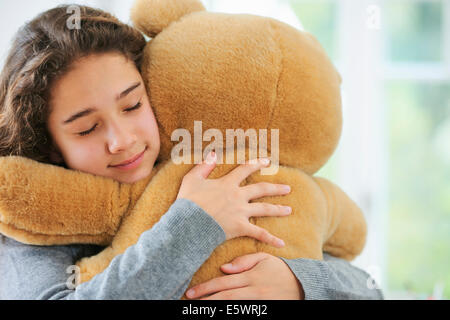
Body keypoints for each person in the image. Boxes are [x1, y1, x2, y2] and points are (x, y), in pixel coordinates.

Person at [0, 5, 383, 300]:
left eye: (132, 105)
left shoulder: (202, 174)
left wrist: (299, 283)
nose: (122, 140)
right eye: (86, 128)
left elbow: (369, 287)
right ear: (46, 142)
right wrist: (193, 226)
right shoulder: (29, 222)